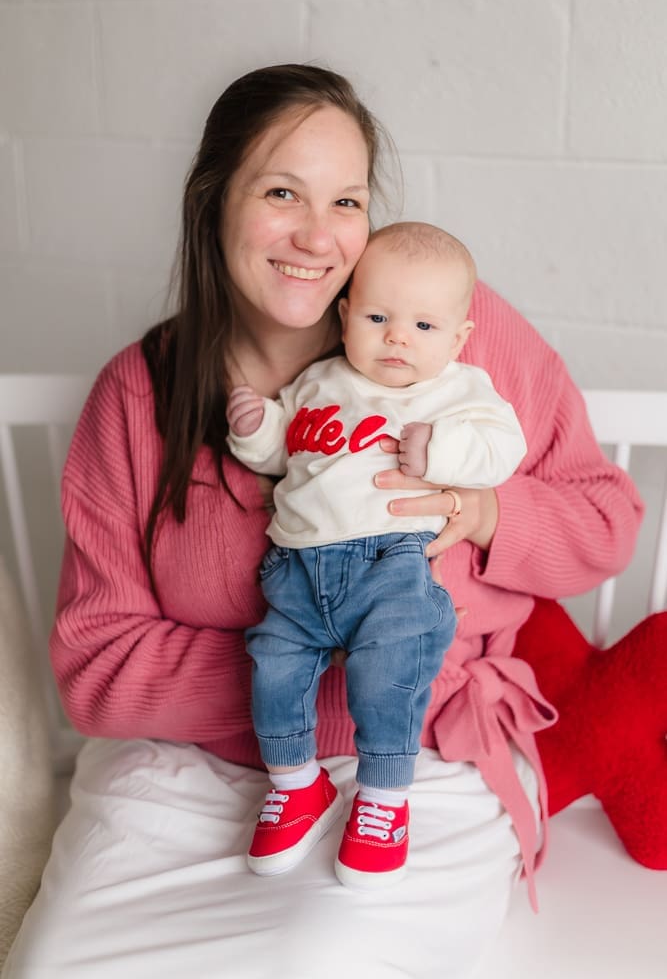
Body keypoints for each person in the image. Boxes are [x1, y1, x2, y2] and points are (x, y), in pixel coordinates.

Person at [2, 63, 642, 979]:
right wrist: (305, 667)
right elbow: (98, 669)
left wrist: (485, 511)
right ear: (212, 202)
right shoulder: (138, 392)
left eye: (345, 199)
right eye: (279, 192)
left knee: (330, 957)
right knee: (65, 966)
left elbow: (606, 522)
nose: (316, 235)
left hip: (416, 757)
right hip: (187, 772)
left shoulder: (448, 328)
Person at [226, 221, 527, 888]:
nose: (397, 336)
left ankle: (383, 800)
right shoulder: (318, 382)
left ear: (457, 338)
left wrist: (441, 454)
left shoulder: (458, 390)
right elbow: (285, 454)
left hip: (391, 565)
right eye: (377, 316)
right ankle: (297, 784)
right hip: (297, 570)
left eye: (424, 326)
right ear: (343, 318)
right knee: (272, 669)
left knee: (387, 679)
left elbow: (502, 448)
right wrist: (257, 430)